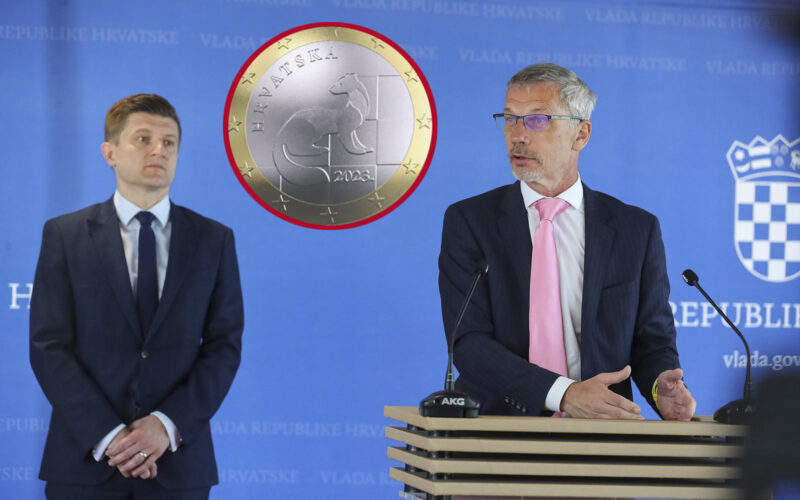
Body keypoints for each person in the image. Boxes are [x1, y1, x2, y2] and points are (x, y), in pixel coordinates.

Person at [438, 63, 696, 421]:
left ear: (581, 135)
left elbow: (651, 341)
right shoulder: (470, 221)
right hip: (497, 429)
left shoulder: (635, 229)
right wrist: (564, 394)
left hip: (601, 431)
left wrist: (660, 386)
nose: (518, 135)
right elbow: (469, 342)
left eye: (537, 120)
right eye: (510, 119)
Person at [29, 94, 244, 499]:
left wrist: (165, 425)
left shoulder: (213, 240)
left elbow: (224, 346)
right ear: (109, 152)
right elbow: (48, 346)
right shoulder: (65, 235)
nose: (159, 150)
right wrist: (109, 436)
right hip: (85, 463)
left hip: (178, 466)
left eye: (169, 142)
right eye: (143, 139)